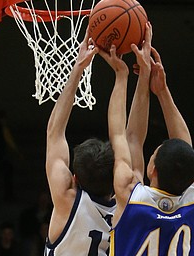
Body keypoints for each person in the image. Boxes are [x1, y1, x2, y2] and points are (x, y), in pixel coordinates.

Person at [104, 26, 194, 255]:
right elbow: (185, 151)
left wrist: (133, 78)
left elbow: (128, 137)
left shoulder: (131, 196)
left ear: (152, 169)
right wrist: (161, 91)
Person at [43, 29, 116, 256]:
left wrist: (78, 69)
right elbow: (132, 138)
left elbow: (54, 133)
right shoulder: (128, 210)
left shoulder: (67, 201)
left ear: (74, 178)